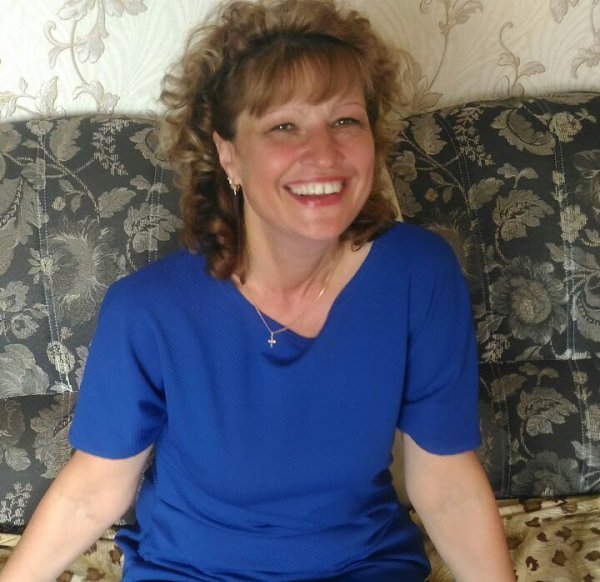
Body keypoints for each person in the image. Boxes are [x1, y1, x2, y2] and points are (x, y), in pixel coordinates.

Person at [0, 0, 514, 580]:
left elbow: (446, 484)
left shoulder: (420, 274)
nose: (324, 153)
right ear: (229, 155)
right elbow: (92, 490)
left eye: (345, 121)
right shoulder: (148, 310)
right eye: (283, 127)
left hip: (361, 568)